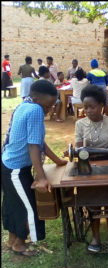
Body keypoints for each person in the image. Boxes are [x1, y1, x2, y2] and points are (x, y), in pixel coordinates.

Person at [1, 80, 67, 256]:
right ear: (37, 99)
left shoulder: (24, 105)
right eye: (48, 106)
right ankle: (19, 245)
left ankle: (12, 240)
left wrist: (57, 160)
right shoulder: (36, 110)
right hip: (16, 169)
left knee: (13, 204)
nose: (49, 111)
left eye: (53, 106)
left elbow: (39, 141)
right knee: (29, 206)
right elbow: (33, 146)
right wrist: (42, 178)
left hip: (6, 164)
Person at [64, 85, 108, 252]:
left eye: (92, 107)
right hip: (88, 166)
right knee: (92, 201)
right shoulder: (80, 124)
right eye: (85, 107)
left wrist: (102, 153)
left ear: (102, 105)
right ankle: (96, 237)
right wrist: (89, 153)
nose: (88, 110)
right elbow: (78, 149)